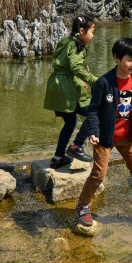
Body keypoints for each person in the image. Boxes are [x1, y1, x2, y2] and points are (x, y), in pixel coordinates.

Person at [75, 37, 132, 227]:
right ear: (116, 58)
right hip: (105, 136)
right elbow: (93, 110)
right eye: (129, 60)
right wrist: (93, 131)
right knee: (99, 174)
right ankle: (82, 206)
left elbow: (131, 106)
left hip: (127, 136)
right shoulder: (104, 82)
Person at [43, 15, 98, 168]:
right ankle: (77, 145)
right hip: (66, 88)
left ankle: (57, 158)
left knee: (70, 121)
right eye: (92, 32)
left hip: (57, 87)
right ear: (82, 31)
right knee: (97, 112)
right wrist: (95, 81)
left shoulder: (66, 41)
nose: (93, 35)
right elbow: (76, 67)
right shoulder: (76, 45)